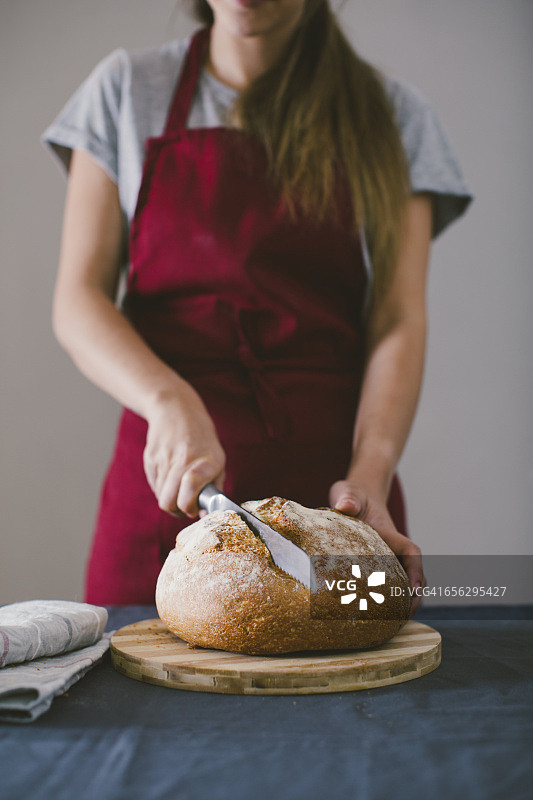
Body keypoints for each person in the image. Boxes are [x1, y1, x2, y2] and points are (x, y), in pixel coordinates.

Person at [42, 0, 472, 607]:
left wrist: (371, 471)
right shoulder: (126, 89)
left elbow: (397, 319)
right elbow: (78, 299)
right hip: (170, 489)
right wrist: (168, 401)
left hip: (337, 495)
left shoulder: (392, 116)